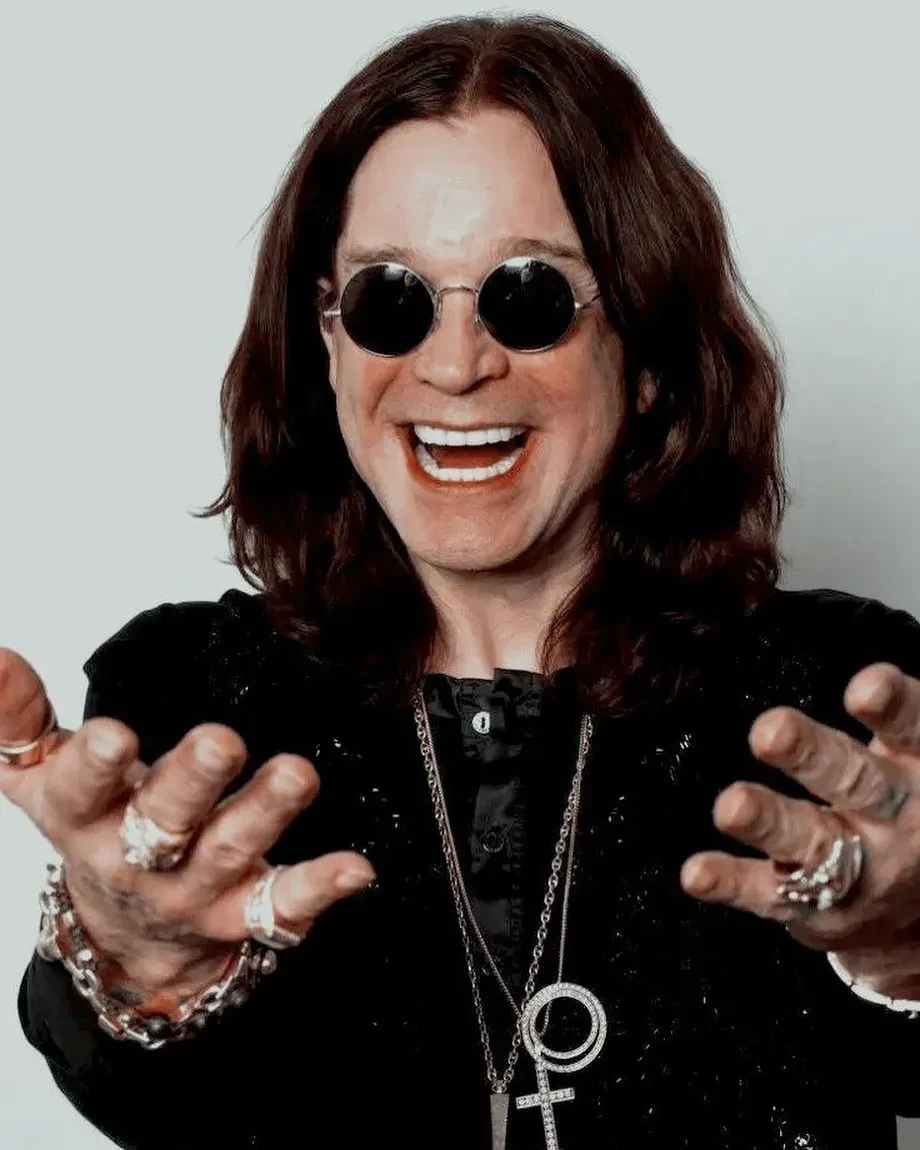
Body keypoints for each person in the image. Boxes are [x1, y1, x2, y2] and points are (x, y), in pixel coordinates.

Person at [3, 13, 920, 1150]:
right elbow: (147, 1109)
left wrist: (903, 950)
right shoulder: (196, 705)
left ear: (644, 351)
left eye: (526, 296)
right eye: (389, 301)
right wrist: (139, 967)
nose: (451, 365)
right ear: (328, 342)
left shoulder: (846, 707)